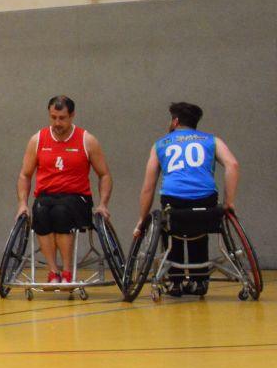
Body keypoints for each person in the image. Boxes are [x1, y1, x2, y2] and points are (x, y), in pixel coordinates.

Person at [133, 102, 240, 296]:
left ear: (175, 121)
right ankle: (199, 280)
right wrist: (229, 202)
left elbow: (148, 187)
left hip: (174, 201)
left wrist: (142, 219)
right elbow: (232, 164)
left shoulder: (161, 144)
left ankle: (175, 281)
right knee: (199, 226)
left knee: (170, 228)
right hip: (205, 201)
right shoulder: (212, 140)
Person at [16, 96, 113, 284]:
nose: (57, 123)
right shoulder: (37, 140)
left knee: (61, 212)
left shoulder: (87, 140)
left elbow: (105, 175)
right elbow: (24, 175)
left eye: (62, 118)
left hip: (76, 198)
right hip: (47, 196)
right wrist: (22, 204)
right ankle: (53, 272)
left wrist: (103, 204)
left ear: (72, 115)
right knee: (40, 212)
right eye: (53, 117)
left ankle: (67, 271)